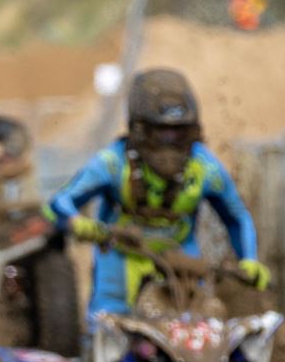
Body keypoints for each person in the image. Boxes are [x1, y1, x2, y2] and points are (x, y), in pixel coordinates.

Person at [43, 67, 269, 320]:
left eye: (178, 132)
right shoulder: (113, 163)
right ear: (139, 130)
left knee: (201, 321)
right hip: (122, 258)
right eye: (161, 132)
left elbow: (236, 216)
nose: (170, 141)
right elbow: (57, 204)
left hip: (182, 260)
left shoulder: (205, 168)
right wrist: (77, 223)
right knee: (108, 322)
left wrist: (249, 259)